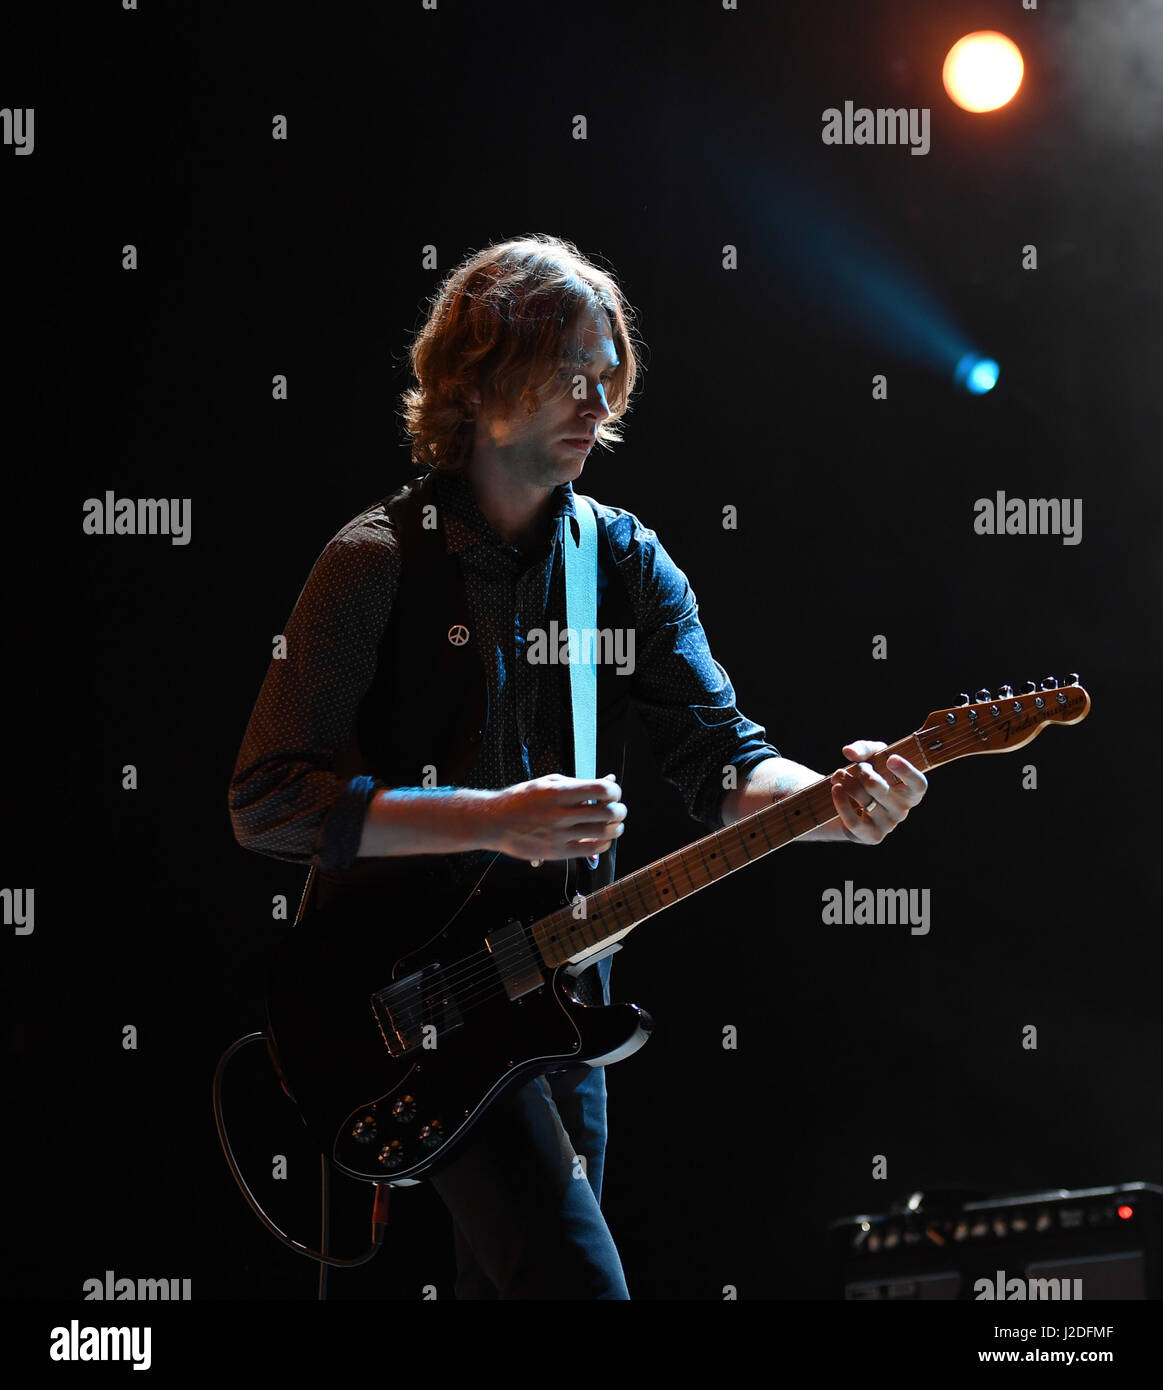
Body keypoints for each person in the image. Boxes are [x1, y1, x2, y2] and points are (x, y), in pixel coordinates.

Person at [227, 233, 928, 1300]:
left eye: (609, 379)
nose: (594, 404)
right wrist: (489, 817)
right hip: (398, 999)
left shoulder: (623, 560)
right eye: (568, 375)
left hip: (556, 995)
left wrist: (839, 807)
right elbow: (264, 800)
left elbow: (725, 762)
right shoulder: (373, 559)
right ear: (477, 376)